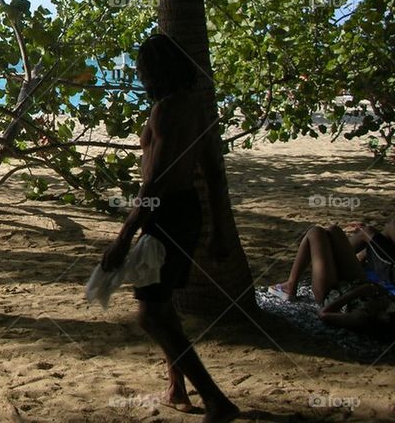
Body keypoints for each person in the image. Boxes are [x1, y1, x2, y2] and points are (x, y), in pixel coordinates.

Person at [100, 33, 238, 423]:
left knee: (149, 315)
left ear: (154, 71)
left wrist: (123, 237)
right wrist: (219, 229)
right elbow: (213, 171)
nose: (139, 74)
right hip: (186, 212)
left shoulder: (164, 111)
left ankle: (216, 400)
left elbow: (155, 181)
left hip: (164, 213)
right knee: (164, 306)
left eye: (142, 68)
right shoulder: (196, 107)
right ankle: (176, 386)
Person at [269, 219, 395, 303]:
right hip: (358, 283)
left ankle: (290, 285)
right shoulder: (376, 309)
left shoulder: (361, 316)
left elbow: (324, 314)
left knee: (315, 232)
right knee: (334, 230)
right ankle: (290, 285)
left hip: (335, 294)